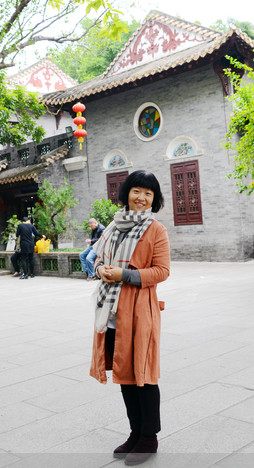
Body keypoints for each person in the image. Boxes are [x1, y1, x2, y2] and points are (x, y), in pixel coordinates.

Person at [90, 170, 170, 466]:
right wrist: (101, 271)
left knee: (143, 375)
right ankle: (135, 432)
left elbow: (162, 271)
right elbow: (97, 260)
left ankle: (149, 438)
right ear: (127, 193)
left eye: (148, 194)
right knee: (124, 374)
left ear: (154, 199)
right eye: (138, 191)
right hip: (111, 312)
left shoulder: (155, 229)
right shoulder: (112, 226)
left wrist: (125, 274)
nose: (142, 198)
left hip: (139, 310)